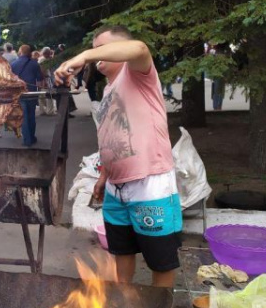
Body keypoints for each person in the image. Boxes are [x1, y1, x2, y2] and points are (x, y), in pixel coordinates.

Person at [55, 25, 181, 288]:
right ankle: (123, 307)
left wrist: (85, 56)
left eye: (102, 47)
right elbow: (113, 138)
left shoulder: (137, 73)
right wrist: (103, 176)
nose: (97, 52)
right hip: (115, 188)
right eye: (94, 47)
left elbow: (140, 48)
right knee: (121, 255)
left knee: (161, 262)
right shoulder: (109, 89)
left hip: (150, 185)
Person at [11, 44, 43, 147]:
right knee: (31, 116)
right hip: (32, 93)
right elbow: (39, 81)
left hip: (20, 94)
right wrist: (39, 92)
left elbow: (11, 81)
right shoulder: (35, 64)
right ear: (29, 52)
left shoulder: (13, 64)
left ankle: (27, 140)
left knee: (24, 117)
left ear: (20, 52)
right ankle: (32, 137)